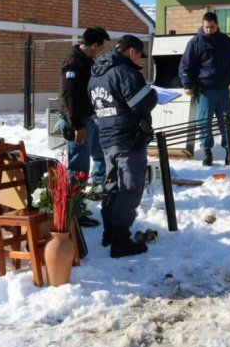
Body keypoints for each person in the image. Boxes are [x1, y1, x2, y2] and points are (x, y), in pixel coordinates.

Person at [88, 35, 158, 258]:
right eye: (139, 55)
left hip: (107, 138)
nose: (139, 59)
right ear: (132, 51)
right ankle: (121, 241)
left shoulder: (95, 75)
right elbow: (143, 102)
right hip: (128, 139)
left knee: (112, 185)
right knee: (130, 187)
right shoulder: (124, 71)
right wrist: (153, 93)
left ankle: (109, 233)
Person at [179, 12, 230, 167]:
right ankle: (207, 153)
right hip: (205, 91)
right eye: (206, 27)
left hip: (223, 90)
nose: (208, 30)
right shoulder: (195, 42)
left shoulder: (225, 41)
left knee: (226, 122)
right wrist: (187, 84)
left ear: (217, 26)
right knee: (204, 123)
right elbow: (185, 66)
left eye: (212, 27)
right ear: (203, 25)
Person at [60, 27, 110, 227]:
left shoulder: (87, 61)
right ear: (94, 46)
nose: (101, 52)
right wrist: (76, 125)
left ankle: (96, 191)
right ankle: (74, 210)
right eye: (101, 48)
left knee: (99, 154)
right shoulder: (73, 62)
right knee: (79, 167)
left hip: (90, 119)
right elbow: (68, 96)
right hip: (78, 122)